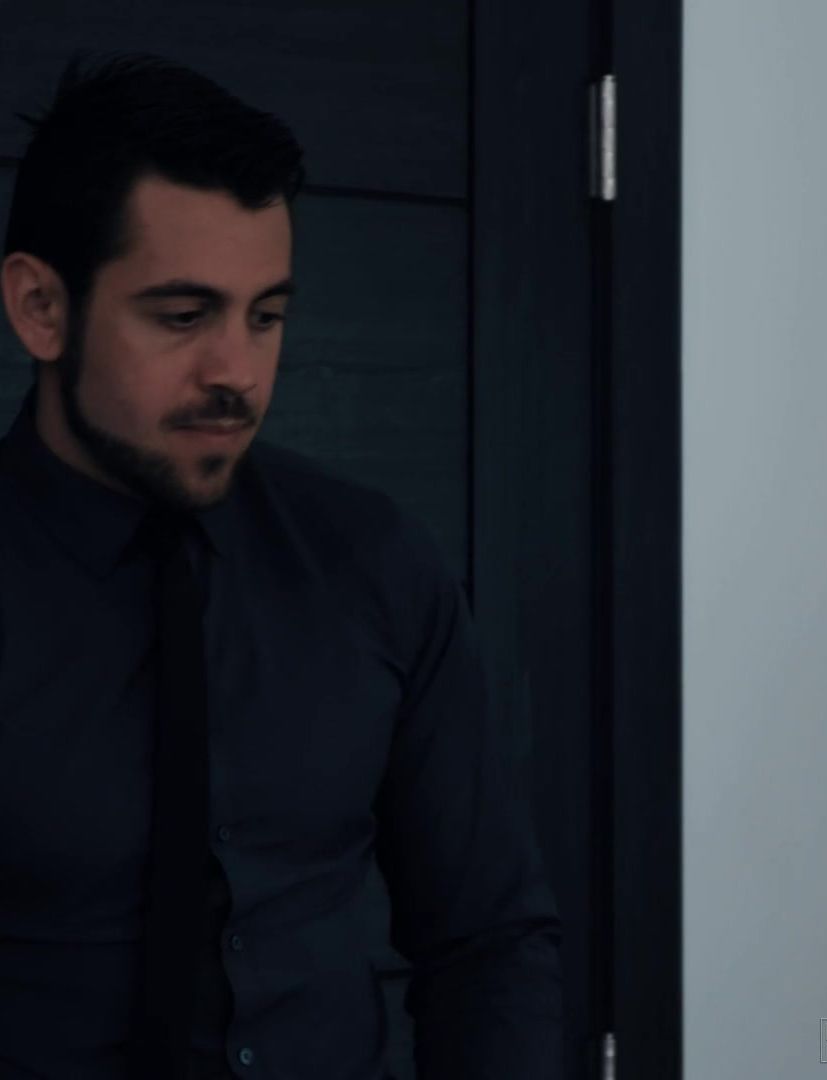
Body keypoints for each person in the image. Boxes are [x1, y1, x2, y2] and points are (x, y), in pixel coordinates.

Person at [0, 51, 564, 1079]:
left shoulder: (374, 565)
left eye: (264, 316)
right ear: (42, 308)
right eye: (182, 317)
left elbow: (488, 940)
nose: (238, 373)